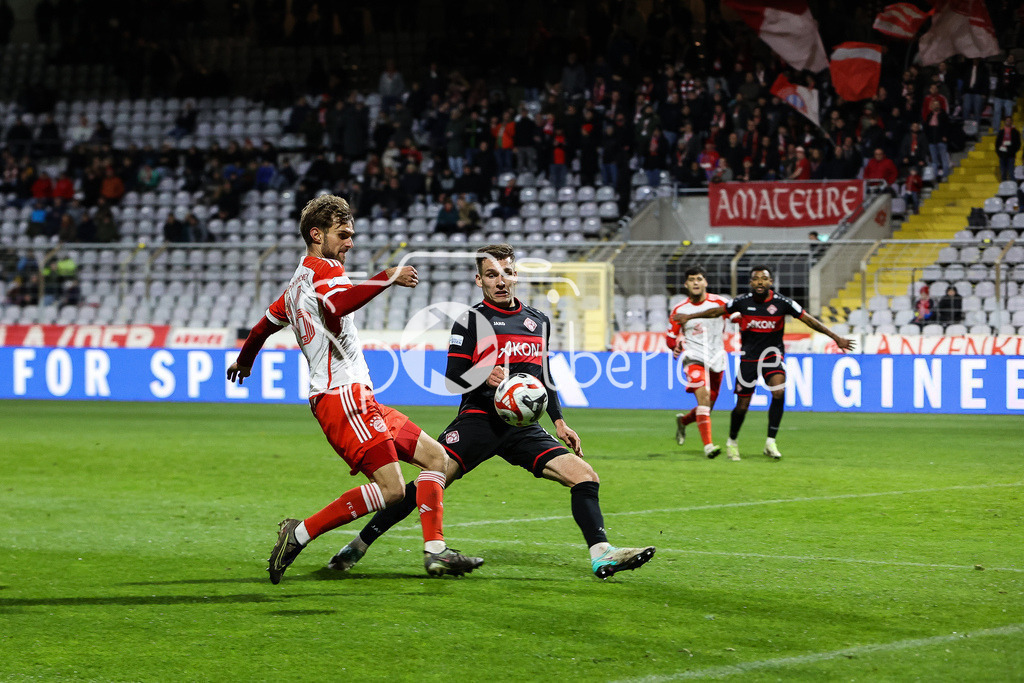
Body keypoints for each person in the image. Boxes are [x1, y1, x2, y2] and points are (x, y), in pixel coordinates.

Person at [327, 243, 656, 580]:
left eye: (507, 273)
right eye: (491, 275)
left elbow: (544, 375)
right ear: (478, 280)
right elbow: (452, 374)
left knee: (585, 476)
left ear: (516, 276)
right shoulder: (471, 320)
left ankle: (602, 556)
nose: (500, 281)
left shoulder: (537, 321)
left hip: (523, 426)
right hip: (479, 421)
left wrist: (559, 421)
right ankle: (359, 544)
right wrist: (482, 374)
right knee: (430, 481)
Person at [226, 195, 483, 584]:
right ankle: (299, 533)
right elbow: (340, 304)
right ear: (317, 234)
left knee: (437, 459)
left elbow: (263, 326)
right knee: (393, 491)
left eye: (352, 235)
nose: (350, 243)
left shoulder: (297, 283)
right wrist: (388, 275)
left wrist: (245, 359)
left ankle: (436, 552)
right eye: (342, 234)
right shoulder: (322, 269)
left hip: (358, 396)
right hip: (341, 397)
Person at [673, 265, 854, 460]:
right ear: (750, 282)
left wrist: (835, 337)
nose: (760, 282)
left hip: (772, 356)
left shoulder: (783, 303)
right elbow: (715, 312)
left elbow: (809, 320)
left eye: (764, 278)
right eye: (756, 278)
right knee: (742, 405)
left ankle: (770, 442)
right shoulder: (742, 302)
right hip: (749, 358)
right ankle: (732, 441)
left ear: (770, 282)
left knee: (779, 392)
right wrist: (690, 316)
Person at [667, 266, 732, 460]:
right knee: (703, 399)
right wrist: (676, 344)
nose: (696, 282)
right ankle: (708, 447)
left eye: (699, 279)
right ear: (685, 284)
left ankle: (684, 421)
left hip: (717, 358)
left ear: (705, 282)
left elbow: (738, 317)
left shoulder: (720, 302)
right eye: (692, 279)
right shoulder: (680, 309)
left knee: (708, 406)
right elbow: (670, 338)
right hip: (693, 357)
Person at [995, 117, 1021, 182]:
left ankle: (1014, 188)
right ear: (1005, 122)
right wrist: (999, 153)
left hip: (1011, 155)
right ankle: (1004, 188)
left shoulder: (1015, 132)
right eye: (1007, 120)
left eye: (1010, 121)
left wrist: (1013, 151)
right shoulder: (1001, 131)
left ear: (1012, 122)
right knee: (1003, 172)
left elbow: (1018, 143)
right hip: (1002, 154)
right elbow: (997, 143)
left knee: (1011, 171)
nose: (1008, 122)